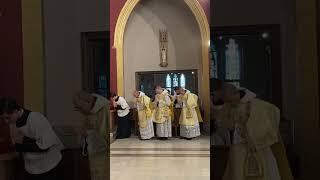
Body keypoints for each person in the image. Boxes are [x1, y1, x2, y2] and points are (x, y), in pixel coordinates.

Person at [213, 83, 293, 180]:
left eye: (230, 100)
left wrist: (248, 132)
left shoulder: (257, 105)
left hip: (258, 148)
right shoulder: (228, 105)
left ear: (235, 93)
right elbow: (223, 121)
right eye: (227, 101)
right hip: (237, 147)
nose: (229, 103)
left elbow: (267, 123)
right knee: (237, 173)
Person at [0, 97, 64, 180]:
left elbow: (44, 147)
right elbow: (18, 146)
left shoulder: (36, 118)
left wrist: (23, 140)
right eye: (3, 118)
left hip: (49, 166)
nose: (6, 121)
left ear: (16, 111)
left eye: (8, 117)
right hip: (32, 168)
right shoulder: (13, 123)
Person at [73, 91, 108, 180]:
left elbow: (107, 138)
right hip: (94, 157)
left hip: (104, 157)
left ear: (88, 102)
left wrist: (89, 134)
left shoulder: (105, 109)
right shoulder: (90, 112)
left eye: (80, 107)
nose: (80, 111)